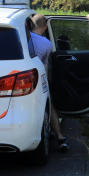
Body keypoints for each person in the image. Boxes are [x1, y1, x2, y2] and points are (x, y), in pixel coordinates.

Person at [29, 14, 68, 151]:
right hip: (36, 78)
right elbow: (44, 67)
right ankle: (60, 138)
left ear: (30, 25)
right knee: (48, 104)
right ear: (45, 27)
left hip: (19, 77)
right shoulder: (47, 44)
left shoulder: (21, 38)